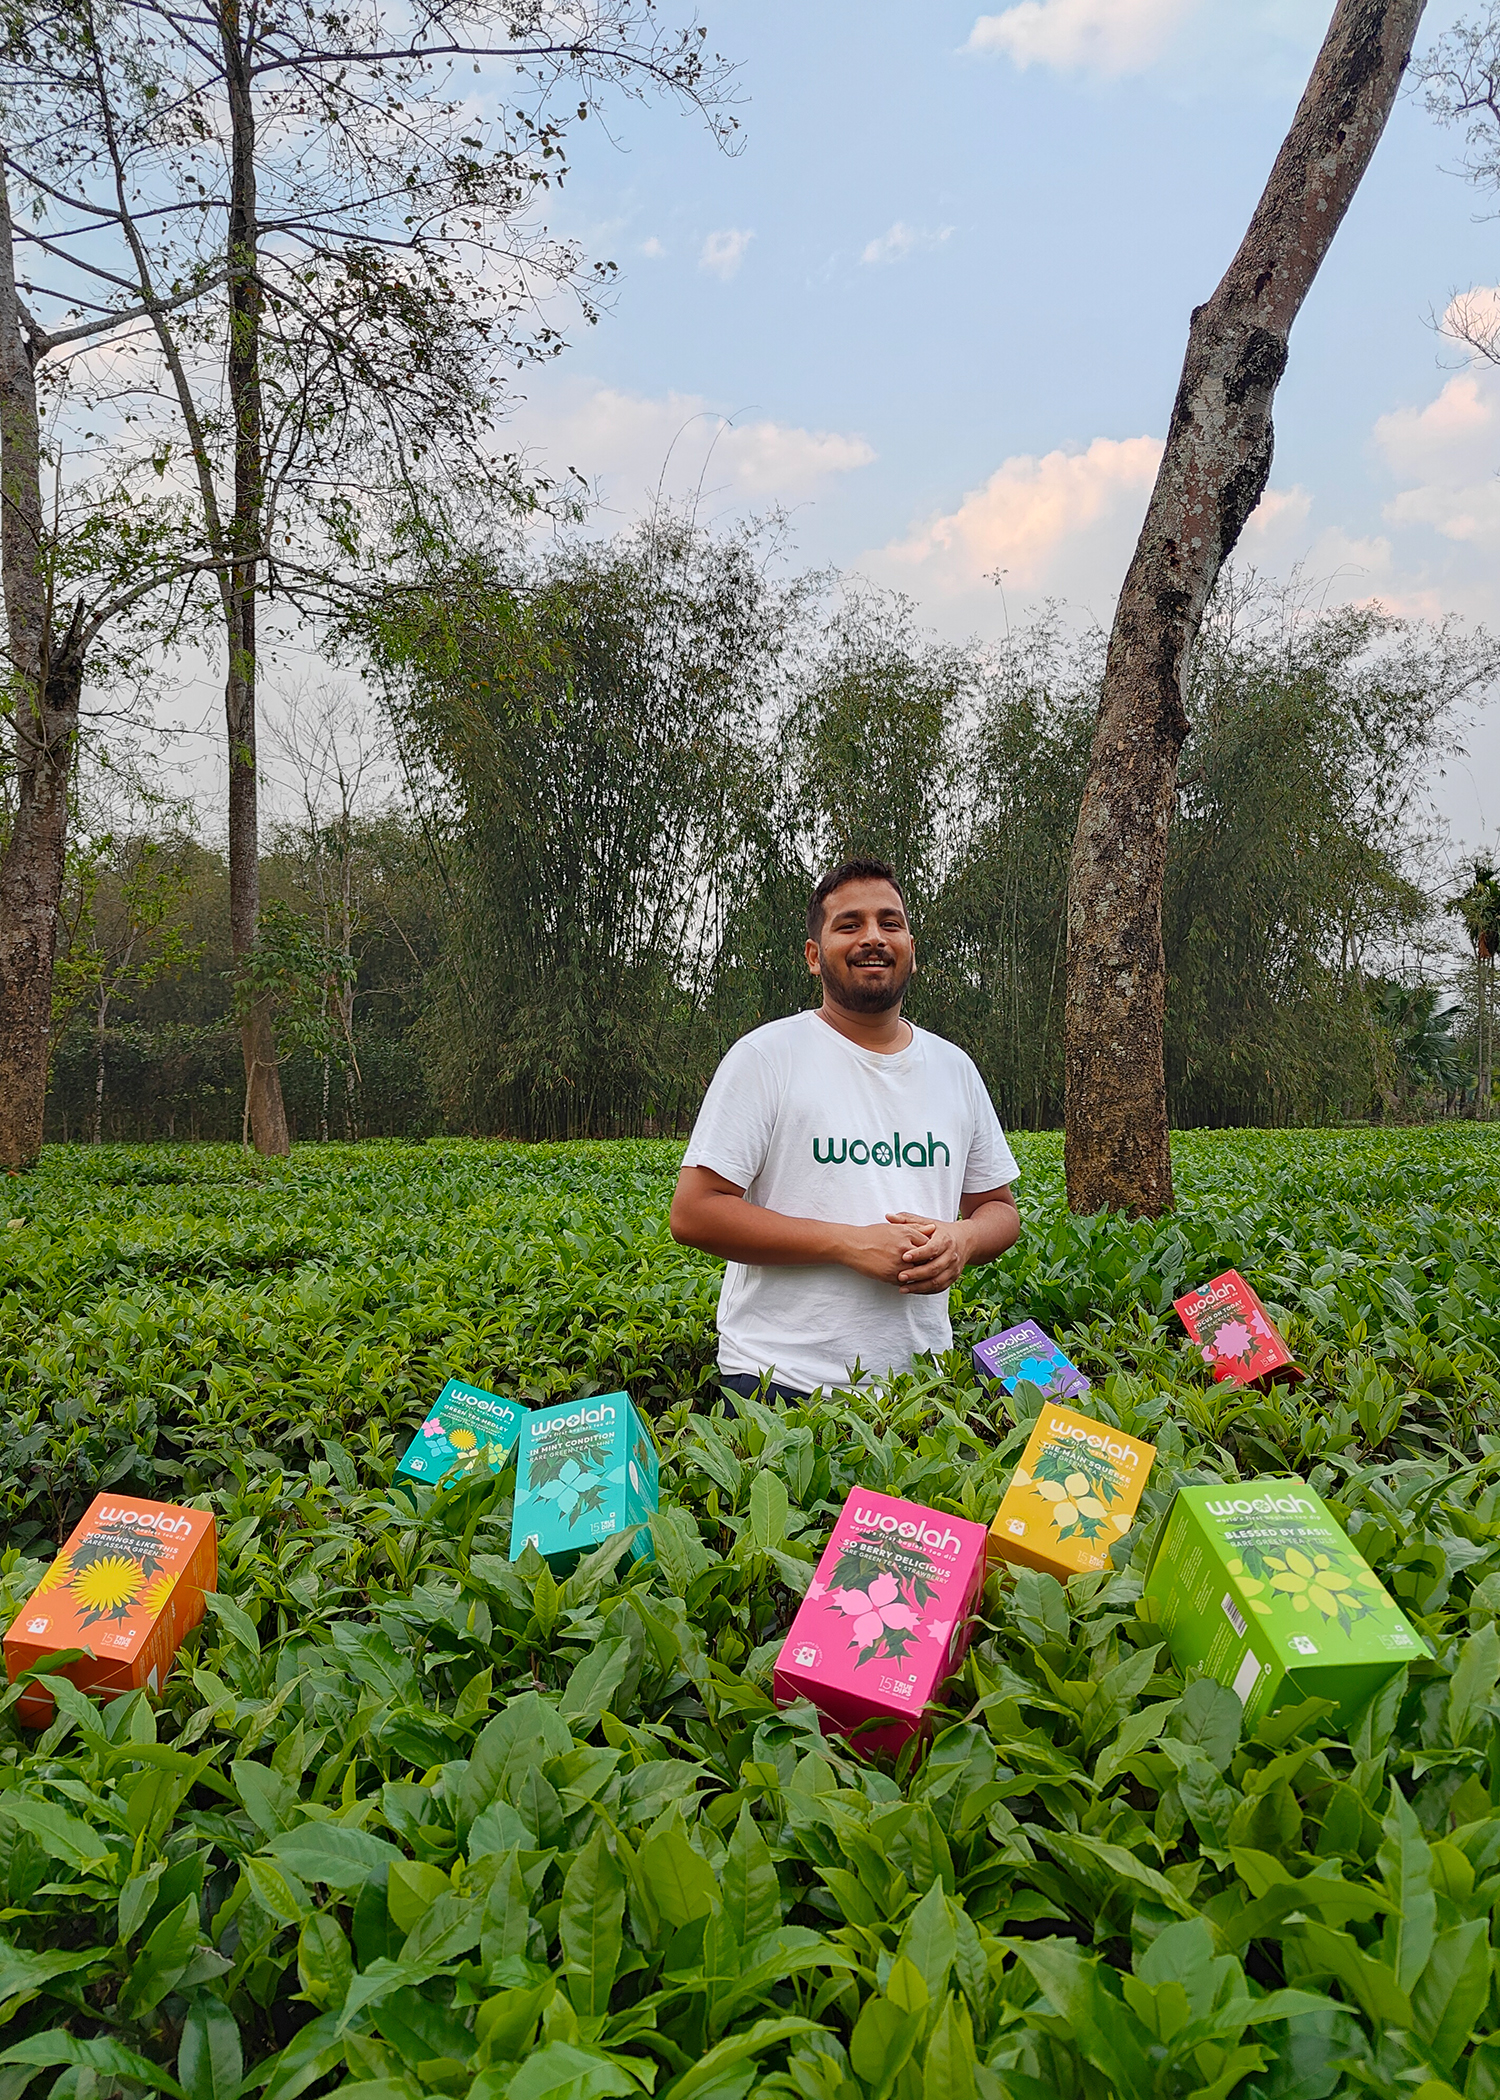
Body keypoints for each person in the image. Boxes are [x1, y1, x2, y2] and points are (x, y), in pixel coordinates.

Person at [669, 857, 1021, 1403]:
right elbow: (695, 1212)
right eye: (849, 924)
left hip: (921, 1389)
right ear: (814, 956)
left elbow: (998, 1209)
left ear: (911, 947)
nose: (874, 938)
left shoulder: (955, 1069)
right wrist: (848, 1244)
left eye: (890, 923)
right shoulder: (766, 1057)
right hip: (778, 1384)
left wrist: (964, 1239)